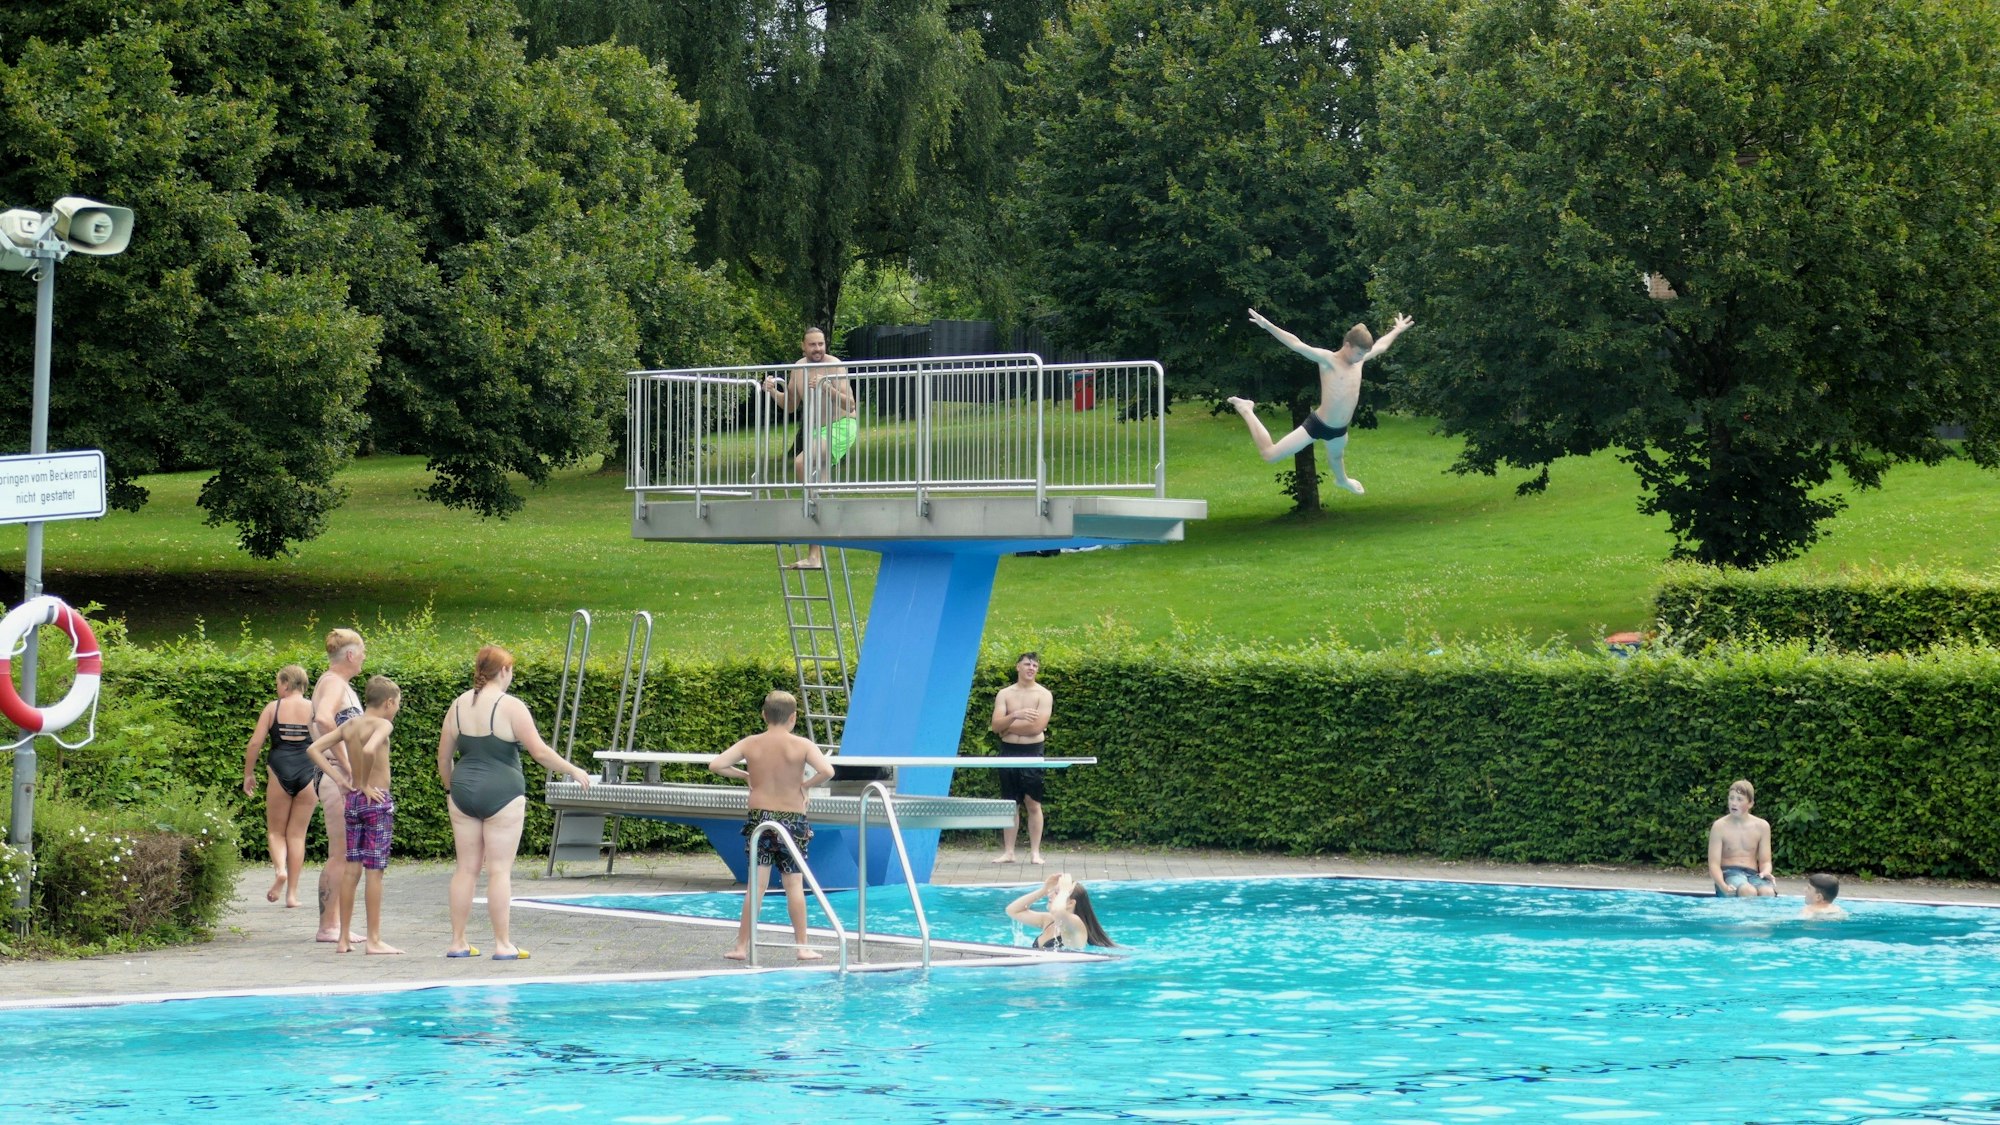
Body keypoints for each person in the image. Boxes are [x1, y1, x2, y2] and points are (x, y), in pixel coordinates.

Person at [437, 644, 595, 960]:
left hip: (463, 790)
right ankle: (502, 944)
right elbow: (539, 752)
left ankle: (457, 942)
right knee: (498, 871)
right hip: (503, 792)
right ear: (505, 671)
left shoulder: (457, 705)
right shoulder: (511, 706)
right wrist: (573, 769)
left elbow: (443, 758)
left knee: (465, 869)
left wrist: (451, 790)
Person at [1227, 307, 1414, 495]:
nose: (1361, 358)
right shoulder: (1328, 360)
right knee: (1270, 455)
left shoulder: (1360, 360)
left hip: (1339, 430)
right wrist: (1268, 326)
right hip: (1317, 425)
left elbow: (1381, 346)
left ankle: (1342, 481)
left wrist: (1397, 330)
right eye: (1358, 353)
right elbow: (1296, 344)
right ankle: (1246, 409)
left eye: (1363, 354)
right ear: (1347, 345)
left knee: (1336, 457)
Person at [707, 690, 835, 961]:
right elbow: (828, 771)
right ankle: (802, 947)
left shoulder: (751, 743)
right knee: (794, 885)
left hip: (760, 819)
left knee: (756, 885)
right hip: (793, 820)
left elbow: (716, 764)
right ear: (793, 717)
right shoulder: (802, 745)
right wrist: (805, 786)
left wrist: (745, 774)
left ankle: (741, 947)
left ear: (764, 715)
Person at [306, 675, 403, 955]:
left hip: (353, 802)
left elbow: (313, 749)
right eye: (397, 703)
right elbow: (372, 748)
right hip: (376, 799)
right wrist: (363, 781)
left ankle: (344, 938)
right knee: (375, 872)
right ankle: (374, 940)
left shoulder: (349, 724)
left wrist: (340, 778)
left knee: (351, 869)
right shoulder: (383, 724)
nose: (396, 708)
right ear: (388, 702)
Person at [760, 326, 857, 570]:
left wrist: (827, 387)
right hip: (818, 432)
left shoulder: (834, 364)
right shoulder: (799, 367)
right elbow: (791, 405)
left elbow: (851, 404)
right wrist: (773, 392)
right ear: (803, 346)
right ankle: (814, 556)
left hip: (842, 426)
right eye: (813, 345)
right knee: (820, 489)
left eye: (821, 344)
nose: (818, 349)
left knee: (802, 463)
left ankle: (809, 506)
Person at [241, 664, 318, 908]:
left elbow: (255, 744)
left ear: (286, 684)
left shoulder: (273, 708)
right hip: (309, 772)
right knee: (297, 835)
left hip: (279, 769)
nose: (277, 688)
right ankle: (292, 895)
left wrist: (248, 774)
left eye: (278, 684)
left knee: (276, 831)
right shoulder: (314, 709)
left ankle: (280, 871)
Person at [309, 628, 366, 942]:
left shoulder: (335, 683)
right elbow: (324, 720)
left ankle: (334, 924)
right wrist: (348, 768)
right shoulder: (333, 683)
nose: (364, 659)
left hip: (335, 776)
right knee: (341, 854)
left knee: (345, 853)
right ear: (350, 655)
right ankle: (329, 926)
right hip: (336, 778)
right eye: (363, 653)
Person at [989, 651, 1053, 865]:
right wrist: (1015, 715)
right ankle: (1009, 852)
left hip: (1032, 751)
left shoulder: (1043, 694)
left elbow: (1037, 727)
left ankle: (1035, 852)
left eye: (1035, 665)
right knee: (1010, 803)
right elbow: (995, 726)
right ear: (1018, 667)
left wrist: (1006, 727)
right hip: (1008, 751)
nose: (1031, 668)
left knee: (1033, 803)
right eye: (1027, 664)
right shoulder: (1004, 694)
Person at [1005, 871, 1114, 950]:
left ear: (1071, 903)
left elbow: (1057, 910)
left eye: (1056, 893)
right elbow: (1013, 910)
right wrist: (1044, 890)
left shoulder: (1075, 922)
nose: (1050, 895)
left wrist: (1064, 891)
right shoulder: (1049, 920)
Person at [1707, 778, 1777, 897]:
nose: (1734, 803)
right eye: (1731, 798)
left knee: (1768, 892)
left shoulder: (1762, 826)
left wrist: (1766, 872)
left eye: (1739, 799)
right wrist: (1722, 885)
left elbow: (1765, 861)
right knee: (1748, 891)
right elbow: (1713, 864)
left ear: (1750, 803)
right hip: (1729, 874)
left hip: (1753, 874)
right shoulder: (1719, 826)